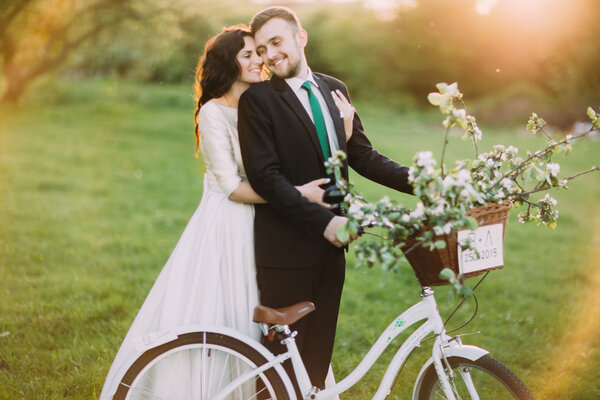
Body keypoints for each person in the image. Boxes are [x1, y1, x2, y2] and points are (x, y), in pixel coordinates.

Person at [99, 24, 354, 400]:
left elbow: (302, 149)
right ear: (228, 63)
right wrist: (298, 194)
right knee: (229, 307)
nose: (260, 60)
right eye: (248, 54)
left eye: (261, 52)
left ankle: (278, 386)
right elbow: (233, 187)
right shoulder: (214, 113)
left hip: (273, 221)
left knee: (278, 311)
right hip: (230, 222)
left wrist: (342, 129)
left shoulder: (267, 100)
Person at [237, 6, 414, 395]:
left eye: (277, 42)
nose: (269, 55)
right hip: (285, 251)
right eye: (262, 48)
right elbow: (266, 179)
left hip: (333, 252)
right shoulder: (258, 101)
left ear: (301, 37)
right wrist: (325, 224)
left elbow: (363, 156)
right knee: (278, 376)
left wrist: (426, 183)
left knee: (314, 369)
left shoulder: (335, 89)